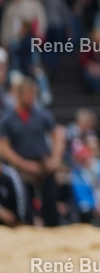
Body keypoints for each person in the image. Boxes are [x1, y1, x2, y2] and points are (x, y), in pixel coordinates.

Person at [0, 76, 65, 226]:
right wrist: (24, 164)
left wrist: (55, 159)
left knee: (51, 202)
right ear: (18, 95)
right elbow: (4, 148)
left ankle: (52, 227)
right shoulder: (7, 119)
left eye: (33, 94)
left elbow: (57, 135)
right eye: (28, 94)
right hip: (21, 168)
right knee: (25, 205)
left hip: (43, 163)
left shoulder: (42, 115)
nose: (31, 98)